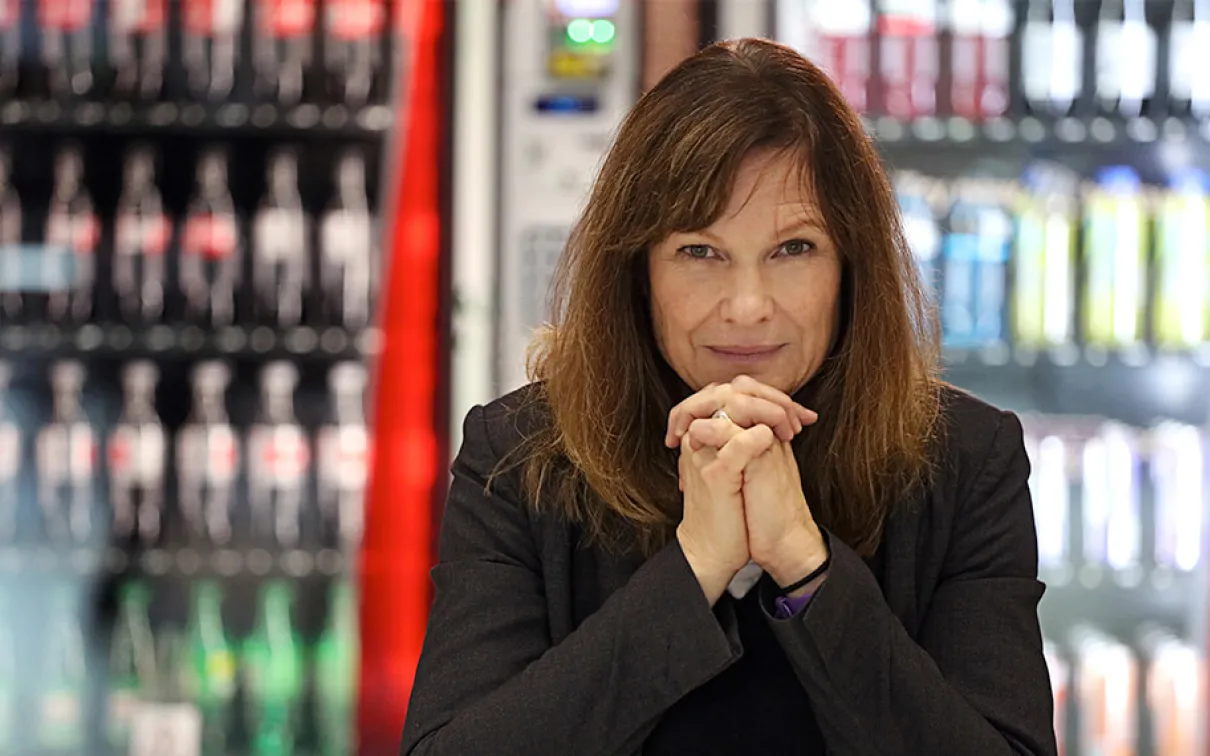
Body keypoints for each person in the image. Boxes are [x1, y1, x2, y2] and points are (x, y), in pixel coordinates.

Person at [401, 38, 1056, 756]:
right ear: (638, 272)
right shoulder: (519, 456)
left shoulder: (966, 459)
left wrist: (805, 564)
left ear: (851, 265)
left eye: (794, 249)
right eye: (700, 252)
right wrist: (695, 567)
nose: (748, 307)